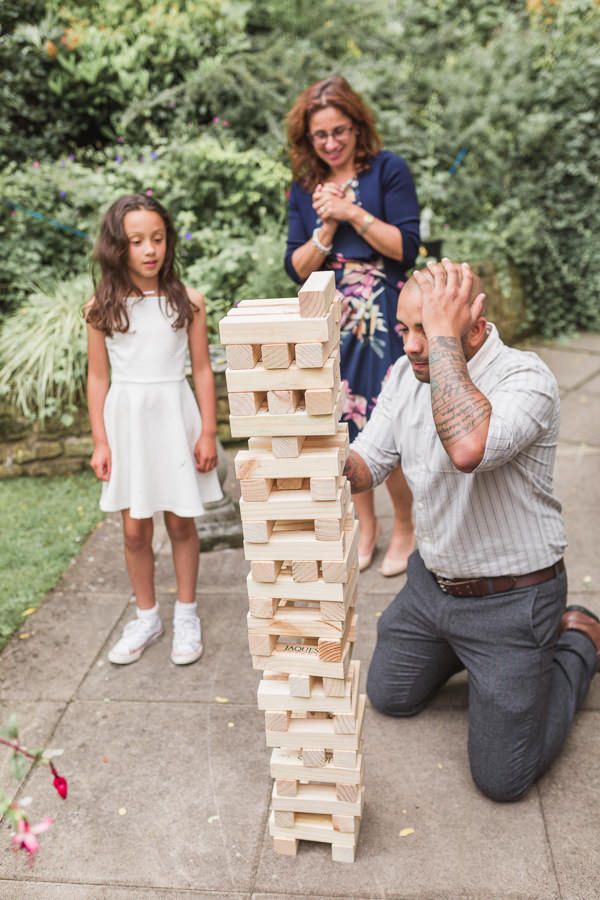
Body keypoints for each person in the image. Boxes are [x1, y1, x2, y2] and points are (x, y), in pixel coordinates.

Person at [345, 258, 600, 802]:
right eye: (406, 329)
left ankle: (577, 639)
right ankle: (475, 664)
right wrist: (316, 463)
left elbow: (469, 449)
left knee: (502, 780)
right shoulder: (403, 375)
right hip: (431, 588)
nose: (412, 346)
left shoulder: (527, 379)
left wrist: (441, 338)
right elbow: (370, 459)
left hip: (512, 600)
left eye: (426, 330)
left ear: (476, 327)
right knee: (388, 694)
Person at [284, 75, 420, 576]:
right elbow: (296, 268)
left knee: (390, 426)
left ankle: (404, 526)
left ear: (358, 127)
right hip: (331, 319)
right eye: (320, 136)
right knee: (344, 427)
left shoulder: (389, 171)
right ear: (308, 140)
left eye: (340, 131)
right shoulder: (303, 189)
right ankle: (368, 526)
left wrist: (350, 212)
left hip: (386, 315)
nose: (331, 143)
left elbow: (405, 249)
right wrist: (324, 226)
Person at [86, 194, 222, 666]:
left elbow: (202, 370)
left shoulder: (189, 302)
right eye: (136, 241)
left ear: (168, 242)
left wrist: (208, 431)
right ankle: (147, 616)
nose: (150, 250)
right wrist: (101, 440)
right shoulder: (101, 308)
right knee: (134, 529)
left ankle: (187, 612)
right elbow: (98, 377)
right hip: (127, 424)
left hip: (174, 416)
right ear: (116, 247)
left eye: (158, 239)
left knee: (181, 520)